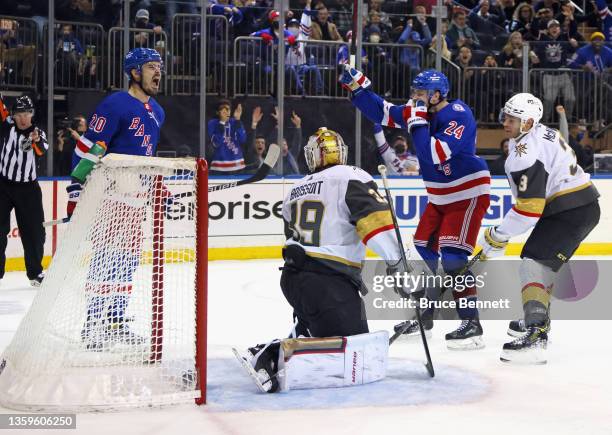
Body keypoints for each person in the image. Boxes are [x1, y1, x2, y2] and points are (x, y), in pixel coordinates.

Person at [236, 127, 404, 393]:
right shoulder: (351, 175)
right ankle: (268, 353)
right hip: (329, 284)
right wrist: (397, 264)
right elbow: (376, 224)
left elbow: (292, 235)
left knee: (319, 326)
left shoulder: (296, 188)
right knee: (354, 354)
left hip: (294, 279)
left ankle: (301, 334)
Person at [341, 67, 491, 349]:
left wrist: (418, 120)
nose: (414, 97)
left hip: (467, 192)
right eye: (414, 92)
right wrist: (358, 89)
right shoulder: (417, 111)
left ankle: (472, 324)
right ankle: (425, 315)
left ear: (437, 95)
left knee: (454, 258)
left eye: (420, 93)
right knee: (423, 252)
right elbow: (382, 112)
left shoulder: (458, 113)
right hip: (440, 197)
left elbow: (432, 154)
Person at [479, 93, 600, 364]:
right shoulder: (541, 132)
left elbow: (528, 210)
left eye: (513, 119)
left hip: (570, 210)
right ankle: (538, 318)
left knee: (533, 263)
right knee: (541, 262)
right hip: (576, 205)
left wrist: (499, 234)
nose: (505, 122)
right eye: (506, 116)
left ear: (529, 122)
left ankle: (536, 333)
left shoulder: (525, 155)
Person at [66, 48, 165, 349]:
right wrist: (75, 187)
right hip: (109, 196)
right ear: (134, 72)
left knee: (128, 262)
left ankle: (115, 322)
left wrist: (157, 190)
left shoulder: (158, 111)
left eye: (159, 66)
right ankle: (93, 325)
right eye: (150, 67)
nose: (157, 72)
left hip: (135, 201)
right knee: (106, 260)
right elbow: (89, 148)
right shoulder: (115, 104)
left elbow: (146, 159)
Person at [0, 95, 48, 287]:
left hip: (28, 190)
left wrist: (35, 140)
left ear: (32, 114)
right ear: (13, 115)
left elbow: (41, 150)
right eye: (19, 113)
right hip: (3, 186)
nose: (23, 118)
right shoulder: (6, 127)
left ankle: (35, 272)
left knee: (35, 233)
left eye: (27, 113)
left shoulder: (38, 133)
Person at [207, 100, 247, 173]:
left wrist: (238, 120)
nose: (226, 112)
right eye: (223, 109)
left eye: (228, 109)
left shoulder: (235, 122)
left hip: (237, 166)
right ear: (217, 112)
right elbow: (216, 143)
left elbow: (242, 140)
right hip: (218, 167)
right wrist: (222, 122)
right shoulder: (212, 123)